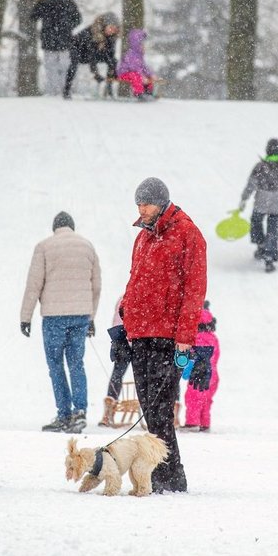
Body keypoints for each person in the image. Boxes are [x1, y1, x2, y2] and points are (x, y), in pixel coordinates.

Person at [118, 177, 208, 493]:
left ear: (162, 203)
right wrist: (124, 324)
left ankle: (171, 475)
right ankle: (162, 472)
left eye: (146, 204)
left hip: (167, 337)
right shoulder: (142, 238)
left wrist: (185, 336)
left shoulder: (187, 234)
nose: (141, 209)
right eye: (138, 204)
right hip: (141, 332)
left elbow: (194, 290)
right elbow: (135, 282)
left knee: (160, 411)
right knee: (149, 410)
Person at [20, 211, 102, 433]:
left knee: (56, 365)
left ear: (55, 228)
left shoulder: (44, 246)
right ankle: (80, 411)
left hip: (54, 317)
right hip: (80, 316)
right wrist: (91, 317)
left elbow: (34, 284)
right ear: (72, 227)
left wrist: (25, 317)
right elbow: (96, 286)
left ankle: (64, 414)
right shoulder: (87, 246)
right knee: (77, 363)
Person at [239, 138, 278, 273]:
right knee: (273, 228)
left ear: (267, 149)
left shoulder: (260, 166)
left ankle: (260, 244)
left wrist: (244, 199)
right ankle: (270, 256)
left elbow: (251, 184)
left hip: (262, 199)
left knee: (256, 221)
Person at [32, 0, 81, 96]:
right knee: (62, 66)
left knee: (52, 66)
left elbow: (33, 16)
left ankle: (54, 91)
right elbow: (78, 19)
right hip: (62, 38)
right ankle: (63, 90)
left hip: (50, 38)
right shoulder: (68, 0)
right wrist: (68, 26)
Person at [63, 12, 119, 99]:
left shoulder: (112, 37)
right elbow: (91, 55)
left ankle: (109, 89)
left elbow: (111, 55)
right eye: (111, 28)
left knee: (113, 60)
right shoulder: (92, 32)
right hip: (77, 48)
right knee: (74, 64)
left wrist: (114, 72)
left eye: (115, 29)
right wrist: (96, 74)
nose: (112, 31)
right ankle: (67, 89)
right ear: (105, 25)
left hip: (93, 53)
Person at [183, 306, 220, 432]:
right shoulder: (213, 338)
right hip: (213, 374)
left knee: (193, 398)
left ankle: (192, 423)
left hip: (199, 373)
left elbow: (192, 356)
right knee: (206, 399)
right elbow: (216, 355)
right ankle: (205, 423)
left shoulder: (196, 338)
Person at [100, 295, 130, 427]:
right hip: (138, 338)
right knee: (148, 376)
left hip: (123, 338)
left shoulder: (123, 298)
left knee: (117, 373)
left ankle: (108, 411)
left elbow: (116, 320)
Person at [116, 28, 156, 100]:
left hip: (136, 73)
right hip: (124, 74)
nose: (144, 46)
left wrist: (151, 74)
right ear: (137, 44)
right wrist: (142, 76)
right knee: (135, 75)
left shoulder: (140, 55)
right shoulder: (130, 54)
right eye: (142, 44)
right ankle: (138, 93)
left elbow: (143, 67)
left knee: (147, 76)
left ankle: (148, 92)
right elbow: (133, 67)